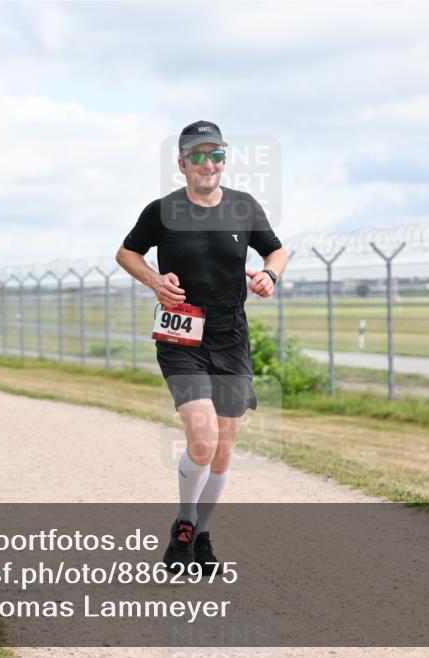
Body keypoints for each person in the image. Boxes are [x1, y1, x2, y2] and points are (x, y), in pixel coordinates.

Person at [116, 121, 289, 575]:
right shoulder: (162, 211)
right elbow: (126, 253)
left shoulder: (243, 206)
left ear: (224, 161)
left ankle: (204, 534)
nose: (207, 163)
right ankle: (184, 527)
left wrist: (269, 275)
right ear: (181, 164)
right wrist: (154, 280)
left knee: (224, 448)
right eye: (197, 155)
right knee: (202, 438)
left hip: (231, 338)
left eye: (215, 154)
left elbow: (277, 251)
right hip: (181, 337)